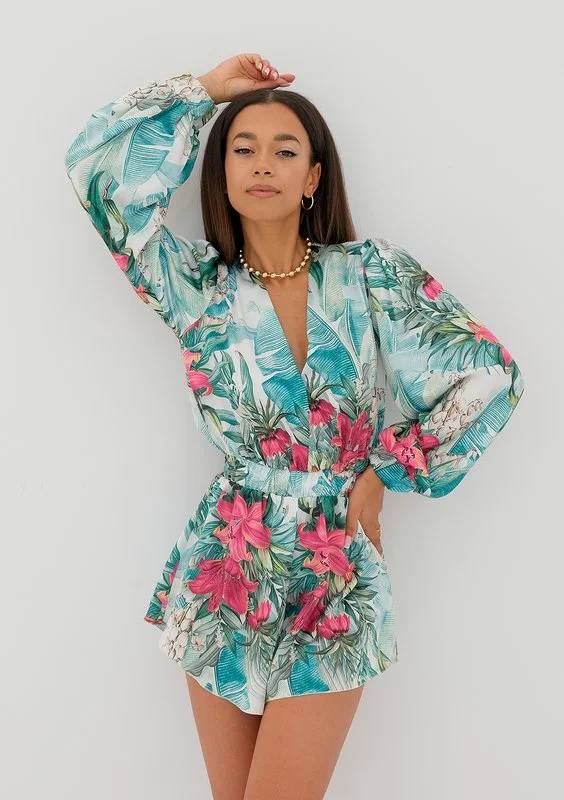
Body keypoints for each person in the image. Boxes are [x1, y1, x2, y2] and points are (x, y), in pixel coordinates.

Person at [64, 53, 525, 799]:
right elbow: (97, 174)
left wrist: (385, 473)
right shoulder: (194, 287)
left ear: (313, 178)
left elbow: (490, 374)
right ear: (220, 174)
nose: (261, 165)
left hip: (335, 563)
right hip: (227, 561)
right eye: (243, 149)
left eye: (285, 151)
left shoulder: (372, 275)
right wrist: (206, 92)